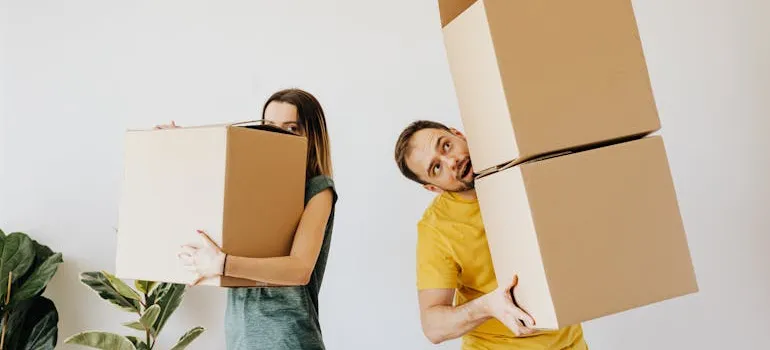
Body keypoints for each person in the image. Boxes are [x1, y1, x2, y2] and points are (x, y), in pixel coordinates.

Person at [159, 88, 338, 350]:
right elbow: (206, 181)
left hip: (287, 339)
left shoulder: (318, 189)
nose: (279, 137)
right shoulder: (249, 187)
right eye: (270, 127)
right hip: (240, 338)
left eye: (291, 129)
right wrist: (180, 145)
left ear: (312, 136)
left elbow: (300, 269)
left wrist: (223, 264)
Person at [393, 120, 588, 349]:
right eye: (436, 168)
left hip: (571, 342)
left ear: (458, 134)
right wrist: (487, 306)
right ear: (432, 187)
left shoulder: (521, 171)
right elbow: (433, 327)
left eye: (446, 146)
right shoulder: (436, 229)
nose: (451, 162)